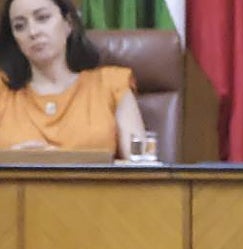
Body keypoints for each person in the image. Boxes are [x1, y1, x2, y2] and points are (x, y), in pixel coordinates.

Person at [0, 0, 146, 158]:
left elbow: (140, 167)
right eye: (20, 26)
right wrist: (11, 161)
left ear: (68, 23)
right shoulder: (3, 90)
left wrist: (63, 164)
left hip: (96, 184)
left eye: (42, 18)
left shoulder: (111, 84)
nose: (32, 32)